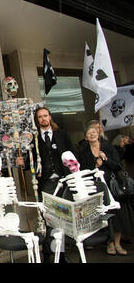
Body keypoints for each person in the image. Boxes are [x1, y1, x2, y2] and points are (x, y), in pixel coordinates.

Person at [16, 106, 75, 263]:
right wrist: (23, 163)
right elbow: (31, 161)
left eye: (45, 116)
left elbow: (73, 156)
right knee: (50, 219)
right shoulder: (33, 139)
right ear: (37, 120)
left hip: (63, 182)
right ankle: (52, 254)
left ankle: (59, 254)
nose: (43, 119)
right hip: (46, 183)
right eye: (40, 117)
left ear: (50, 117)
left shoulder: (62, 135)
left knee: (62, 220)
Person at [78, 126, 134, 256]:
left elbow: (118, 165)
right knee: (104, 216)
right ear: (86, 137)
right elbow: (82, 170)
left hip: (112, 187)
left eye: (94, 132)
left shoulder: (108, 147)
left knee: (117, 216)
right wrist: (95, 165)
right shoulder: (84, 151)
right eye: (89, 133)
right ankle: (110, 243)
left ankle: (118, 243)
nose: (92, 135)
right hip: (96, 188)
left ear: (98, 135)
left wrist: (106, 159)